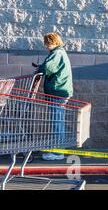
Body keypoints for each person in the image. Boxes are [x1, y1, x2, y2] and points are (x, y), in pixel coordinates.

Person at [35, 33, 73, 161]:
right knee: (58, 121)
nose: (46, 46)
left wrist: (39, 69)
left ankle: (57, 153)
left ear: (53, 42)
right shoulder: (59, 52)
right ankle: (58, 149)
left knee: (57, 121)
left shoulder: (57, 53)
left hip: (58, 92)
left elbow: (48, 67)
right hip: (60, 91)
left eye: (47, 43)